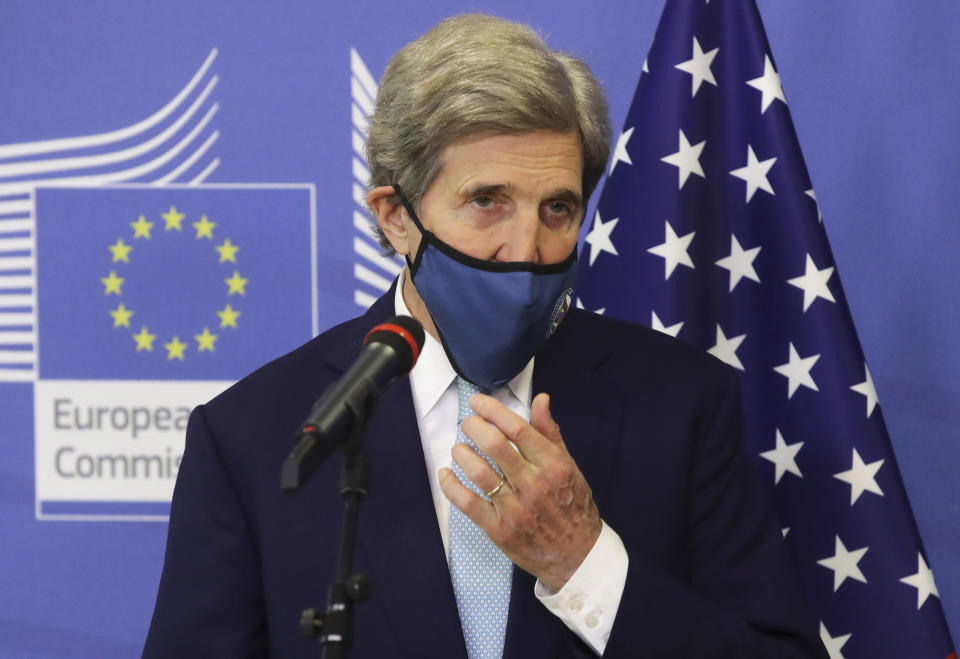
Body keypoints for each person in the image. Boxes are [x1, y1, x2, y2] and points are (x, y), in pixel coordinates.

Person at [143, 14, 826, 658]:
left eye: (557, 208)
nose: (525, 248)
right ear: (395, 217)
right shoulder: (255, 436)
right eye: (486, 201)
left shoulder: (680, 403)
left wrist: (584, 564)